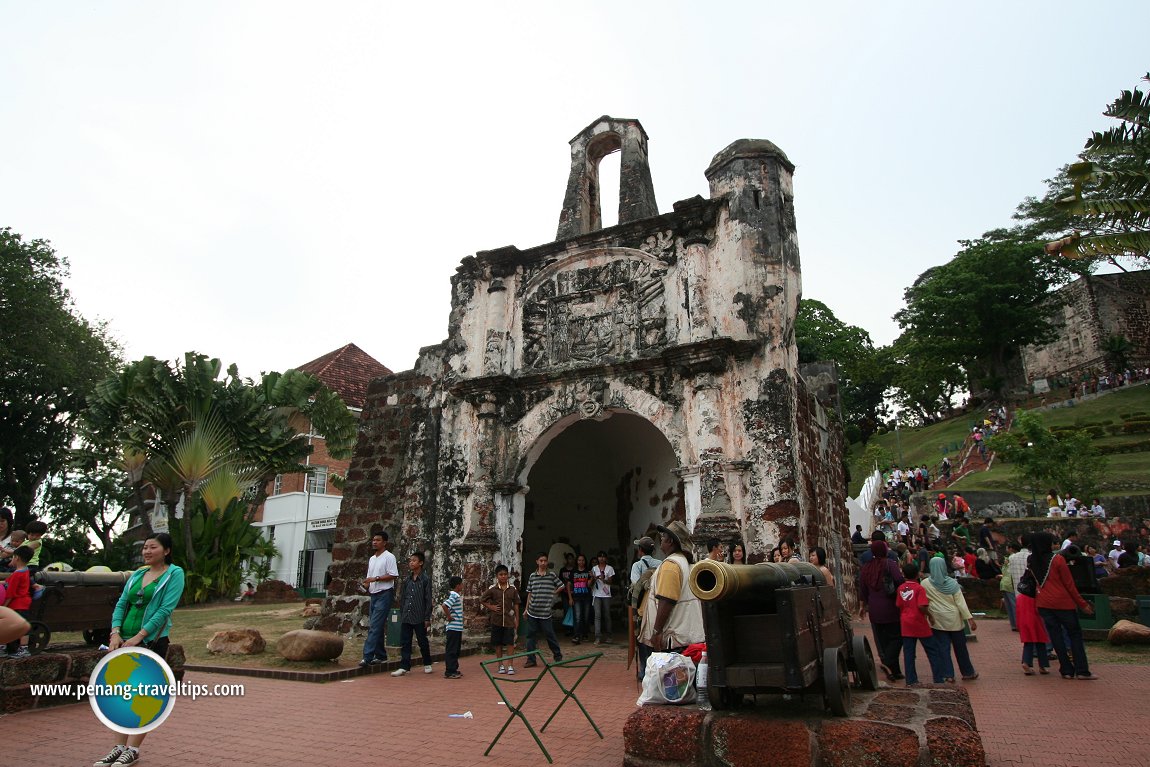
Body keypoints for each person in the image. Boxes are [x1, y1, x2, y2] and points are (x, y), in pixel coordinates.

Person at [94, 533, 186, 767]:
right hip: (122, 640)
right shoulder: (137, 574)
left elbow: (165, 610)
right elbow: (122, 603)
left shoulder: (174, 574)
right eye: (145, 547)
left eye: (152, 547)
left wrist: (139, 637)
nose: (146, 551)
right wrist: (115, 632)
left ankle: (133, 749)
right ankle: (118, 747)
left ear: (166, 551)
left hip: (150, 642)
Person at [637, 521, 705, 678]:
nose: (661, 539)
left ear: (670, 541)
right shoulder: (686, 564)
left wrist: (656, 631)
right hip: (687, 635)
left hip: (675, 638)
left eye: (663, 536)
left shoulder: (671, 565)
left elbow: (667, 600)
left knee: (674, 686)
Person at [1030, 532, 1096, 680]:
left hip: (1043, 603)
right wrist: (1082, 604)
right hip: (1063, 602)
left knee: (1056, 636)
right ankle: (1082, 670)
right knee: (1074, 635)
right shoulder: (1057, 559)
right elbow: (1069, 585)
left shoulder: (1031, 561)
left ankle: (1066, 669)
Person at [921, 556, 978, 683]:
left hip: (937, 619)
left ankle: (948, 674)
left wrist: (925, 617)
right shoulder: (953, 584)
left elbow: (923, 602)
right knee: (961, 648)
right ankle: (968, 672)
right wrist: (970, 619)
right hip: (954, 620)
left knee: (942, 648)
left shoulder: (925, 584)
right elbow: (961, 604)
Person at [858, 540, 904, 682]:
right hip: (891, 607)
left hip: (874, 608)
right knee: (897, 637)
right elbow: (900, 581)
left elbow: (863, 589)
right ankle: (889, 662)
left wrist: (864, 605)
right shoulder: (890, 564)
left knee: (883, 640)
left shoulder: (866, 568)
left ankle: (894, 670)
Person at [896, 561, 942, 685]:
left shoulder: (900, 588)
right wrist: (930, 615)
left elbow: (899, 605)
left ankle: (911, 680)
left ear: (904, 575)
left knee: (909, 653)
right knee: (933, 651)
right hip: (919, 622)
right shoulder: (919, 588)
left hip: (906, 623)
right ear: (917, 575)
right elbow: (922, 606)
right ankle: (938, 679)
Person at [391, 552, 434, 676]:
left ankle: (427, 663)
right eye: (410, 561)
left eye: (414, 560)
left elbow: (428, 599)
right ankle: (404, 665)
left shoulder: (425, 579)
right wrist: (402, 611)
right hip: (407, 615)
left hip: (419, 615)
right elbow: (403, 597)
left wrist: (427, 617)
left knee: (422, 641)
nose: (411, 563)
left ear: (420, 563)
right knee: (405, 641)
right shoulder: (407, 580)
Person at [360, 531, 398, 667]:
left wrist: (376, 578)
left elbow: (393, 575)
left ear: (384, 542)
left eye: (378, 540)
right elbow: (369, 577)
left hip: (385, 593)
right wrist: (366, 584)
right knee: (377, 625)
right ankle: (381, 655)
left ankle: (367, 656)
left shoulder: (389, 557)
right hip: (374, 594)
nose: (374, 542)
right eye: (373, 540)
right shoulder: (372, 559)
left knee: (375, 625)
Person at [522, 552, 565, 668]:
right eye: (541, 561)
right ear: (537, 562)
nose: (543, 563)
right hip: (533, 611)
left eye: (545, 561)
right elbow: (529, 594)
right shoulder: (532, 576)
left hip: (545, 612)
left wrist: (554, 593)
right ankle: (531, 659)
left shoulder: (551, 575)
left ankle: (557, 656)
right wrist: (526, 609)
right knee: (531, 636)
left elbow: (562, 585)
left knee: (550, 635)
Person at [481, 564, 521, 675]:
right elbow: (482, 599)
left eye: (505, 574)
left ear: (508, 575)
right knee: (498, 643)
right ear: (497, 576)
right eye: (501, 574)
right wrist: (491, 607)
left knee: (510, 643)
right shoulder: (493, 589)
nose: (503, 576)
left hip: (509, 620)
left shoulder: (512, 589)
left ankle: (510, 665)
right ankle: (500, 665)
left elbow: (516, 605)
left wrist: (517, 619)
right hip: (496, 620)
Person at [0, 545, 34, 658]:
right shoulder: (25, 571)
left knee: (10, 624)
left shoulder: (17, 574)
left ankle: (21, 649)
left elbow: (10, 593)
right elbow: (7, 582)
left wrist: (4, 606)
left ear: (17, 558)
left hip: (17, 604)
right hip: (23, 602)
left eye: (13, 557)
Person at [440, 575, 464, 679]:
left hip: (457, 627)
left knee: (455, 649)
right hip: (454, 627)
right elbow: (445, 605)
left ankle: (454, 668)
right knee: (452, 649)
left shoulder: (455, 595)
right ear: (458, 586)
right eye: (461, 584)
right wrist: (449, 616)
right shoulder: (454, 596)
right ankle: (450, 670)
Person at [591, 551, 614, 645]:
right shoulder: (594, 568)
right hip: (596, 594)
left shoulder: (610, 568)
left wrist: (603, 579)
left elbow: (611, 582)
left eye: (603, 557)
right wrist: (594, 578)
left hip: (606, 594)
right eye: (600, 557)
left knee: (607, 615)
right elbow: (591, 583)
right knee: (597, 615)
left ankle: (609, 635)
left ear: (606, 558)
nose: (601, 558)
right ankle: (597, 637)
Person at [569, 554, 593, 644]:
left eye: (583, 560)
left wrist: (592, 577)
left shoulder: (588, 572)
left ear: (585, 561)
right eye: (579, 560)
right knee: (578, 617)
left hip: (586, 597)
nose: (581, 562)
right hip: (576, 597)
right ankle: (577, 636)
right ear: (577, 561)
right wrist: (570, 598)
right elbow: (568, 585)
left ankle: (585, 634)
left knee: (586, 617)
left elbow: (589, 585)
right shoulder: (573, 572)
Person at [1000, 541, 1021, 630]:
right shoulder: (1014, 558)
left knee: (1010, 605)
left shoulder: (1009, 559)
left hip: (1004, 583)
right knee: (1014, 605)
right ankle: (1017, 624)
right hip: (1010, 583)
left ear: (1011, 549)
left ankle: (1014, 624)